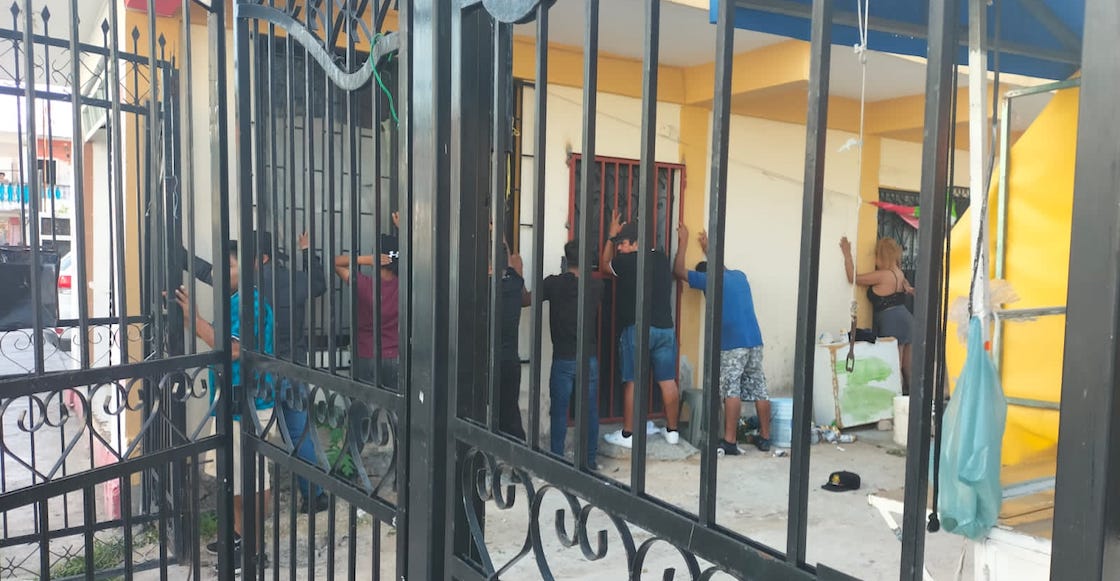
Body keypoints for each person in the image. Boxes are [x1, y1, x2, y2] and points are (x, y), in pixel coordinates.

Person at [183, 231, 329, 514]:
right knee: (299, 434)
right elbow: (319, 284)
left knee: (251, 443)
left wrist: (182, 257)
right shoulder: (295, 280)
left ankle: (249, 513)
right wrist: (308, 251)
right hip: (293, 368)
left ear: (258, 259)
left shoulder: (246, 285)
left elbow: (207, 273)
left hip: (257, 376)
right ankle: (313, 495)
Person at [173, 239, 273, 571]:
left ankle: (254, 550)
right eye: (220, 266)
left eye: (229, 266)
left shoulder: (251, 302)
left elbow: (233, 349)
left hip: (250, 404)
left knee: (253, 481)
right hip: (231, 402)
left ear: (249, 269)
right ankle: (239, 536)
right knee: (234, 478)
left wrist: (194, 319)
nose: (221, 272)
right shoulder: (232, 299)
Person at [673, 224, 771, 455]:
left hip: (733, 343)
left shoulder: (710, 280)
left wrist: (683, 241)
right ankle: (766, 438)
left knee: (731, 390)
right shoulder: (739, 276)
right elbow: (721, 267)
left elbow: (678, 271)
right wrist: (709, 249)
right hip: (754, 340)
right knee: (759, 388)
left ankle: (729, 441)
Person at [599, 211, 681, 448]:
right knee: (668, 381)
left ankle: (628, 434)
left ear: (636, 243)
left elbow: (604, 266)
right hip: (665, 329)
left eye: (623, 243)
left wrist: (610, 236)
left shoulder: (626, 262)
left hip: (638, 328)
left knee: (633, 381)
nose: (619, 248)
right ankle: (672, 432)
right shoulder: (662, 259)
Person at [541, 239, 603, 468]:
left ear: (566, 260)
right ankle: (589, 460)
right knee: (590, 411)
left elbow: (526, 300)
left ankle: (557, 459)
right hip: (588, 358)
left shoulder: (553, 284)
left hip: (563, 357)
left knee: (559, 411)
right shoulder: (596, 286)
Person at [840, 236, 915, 394]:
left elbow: (852, 278)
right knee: (907, 368)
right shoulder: (899, 273)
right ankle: (913, 403)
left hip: (892, 321)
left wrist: (847, 254)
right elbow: (908, 288)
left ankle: (895, 401)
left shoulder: (882, 275)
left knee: (894, 365)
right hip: (907, 319)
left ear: (881, 255)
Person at [332, 234, 400, 388]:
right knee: (394, 403)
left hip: (365, 354)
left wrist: (364, 260)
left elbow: (333, 262)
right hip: (394, 357)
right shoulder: (405, 287)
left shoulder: (363, 285)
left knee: (364, 402)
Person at [497, 243, 531, 439]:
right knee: (509, 413)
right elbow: (511, 265)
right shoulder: (516, 282)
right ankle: (516, 448)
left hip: (486, 361)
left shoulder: (482, 283)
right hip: (510, 361)